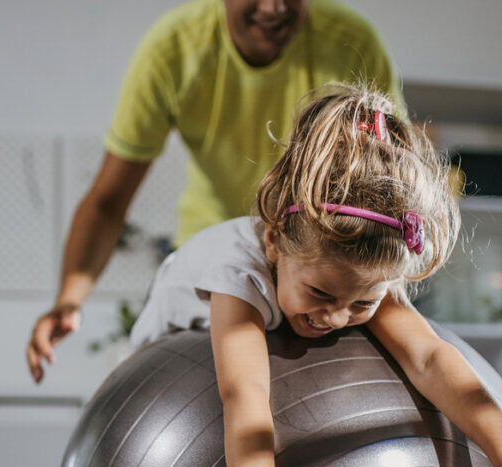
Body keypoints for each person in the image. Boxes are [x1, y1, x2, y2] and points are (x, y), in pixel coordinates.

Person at [125, 85, 502, 467]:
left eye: (362, 304)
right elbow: (247, 397)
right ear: (273, 242)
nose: (338, 316)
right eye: (320, 292)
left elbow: (431, 357)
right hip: (168, 352)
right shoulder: (239, 276)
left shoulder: (361, 271)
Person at [27, 0, 406, 382]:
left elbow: (394, 182)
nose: (273, 8)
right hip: (215, 258)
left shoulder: (353, 43)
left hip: (325, 262)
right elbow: (109, 201)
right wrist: (69, 300)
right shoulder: (173, 51)